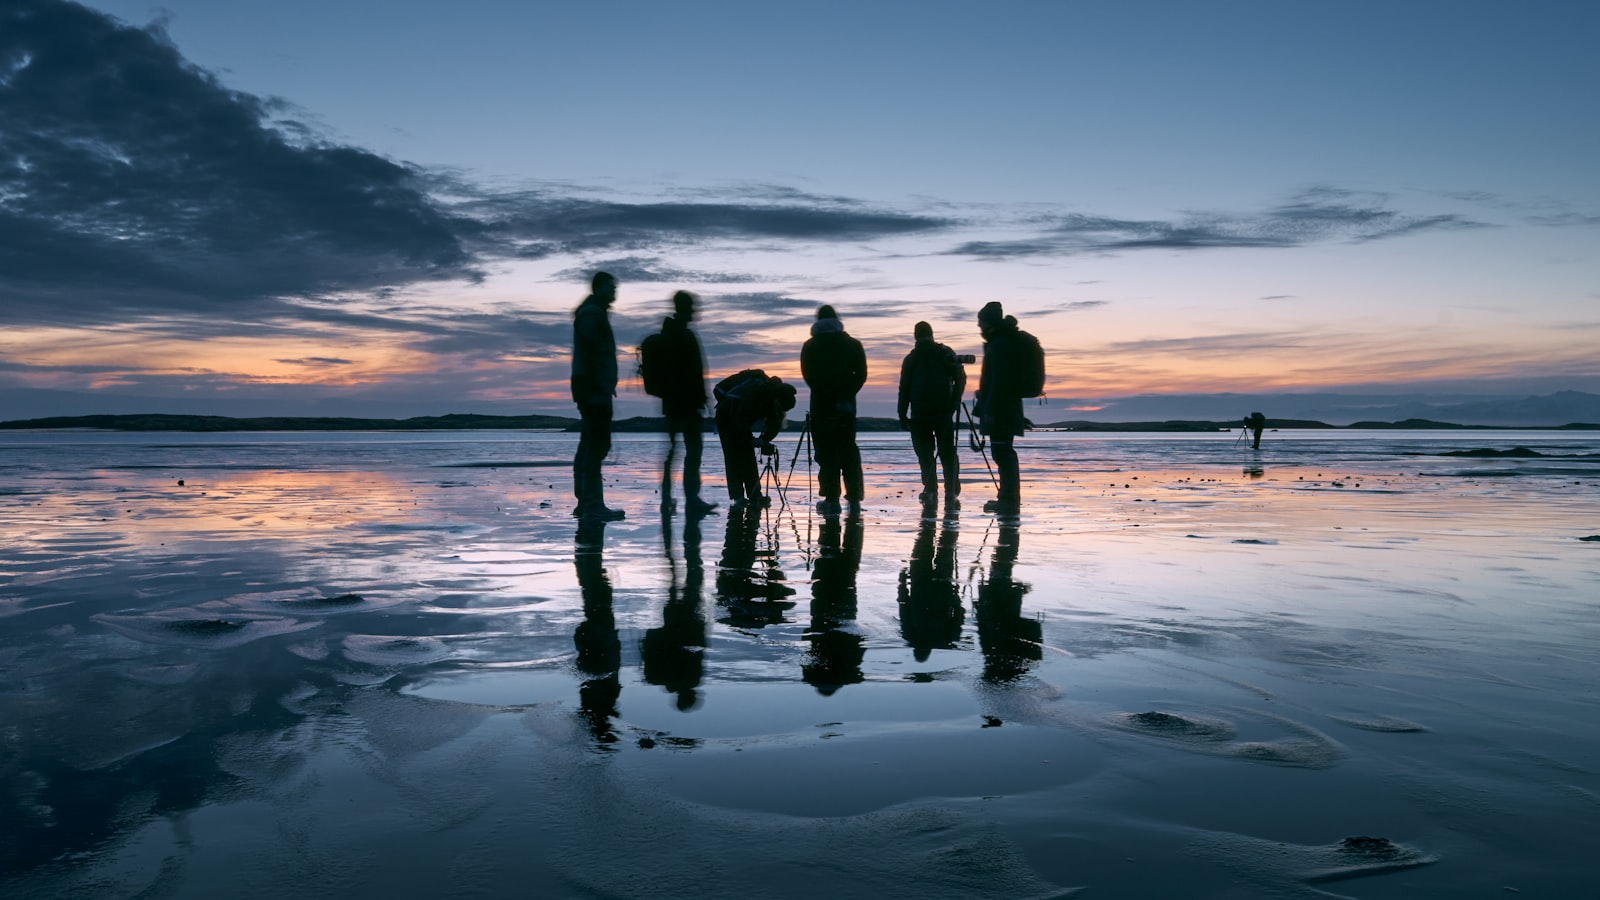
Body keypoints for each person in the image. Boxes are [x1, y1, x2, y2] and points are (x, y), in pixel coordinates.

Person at [648, 291, 718, 517]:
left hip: (670, 403)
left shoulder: (666, 333)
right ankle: (692, 499)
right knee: (693, 451)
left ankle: (667, 499)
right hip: (687, 403)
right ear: (686, 309)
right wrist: (704, 399)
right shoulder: (685, 335)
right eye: (693, 307)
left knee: (672, 452)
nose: (696, 311)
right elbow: (695, 373)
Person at [800, 305, 867, 517]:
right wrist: (846, 395)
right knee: (848, 451)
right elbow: (861, 374)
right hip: (847, 408)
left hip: (821, 407)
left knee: (826, 453)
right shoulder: (853, 344)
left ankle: (831, 500)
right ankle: (854, 499)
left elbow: (809, 376)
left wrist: (826, 395)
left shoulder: (810, 346)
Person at [570, 271, 624, 521]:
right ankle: (591, 505)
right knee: (596, 446)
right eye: (611, 286)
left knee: (590, 444)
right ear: (600, 287)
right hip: (593, 390)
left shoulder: (593, 312)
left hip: (592, 388)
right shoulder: (592, 314)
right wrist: (601, 384)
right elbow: (593, 351)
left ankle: (585, 502)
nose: (615, 290)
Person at [897, 320, 966, 511]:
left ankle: (931, 490)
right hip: (942, 412)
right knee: (947, 452)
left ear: (915, 336)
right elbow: (960, 376)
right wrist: (955, 399)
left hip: (920, 414)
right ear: (931, 334)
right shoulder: (944, 353)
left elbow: (904, 389)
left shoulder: (911, 359)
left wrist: (902, 414)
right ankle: (950, 490)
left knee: (925, 454)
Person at [973, 301, 1034, 515]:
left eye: (981, 323)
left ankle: (1008, 501)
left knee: (1003, 453)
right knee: (1004, 452)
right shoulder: (1003, 341)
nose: (979, 328)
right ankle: (1006, 499)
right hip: (1007, 406)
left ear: (989, 323)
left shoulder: (999, 344)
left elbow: (998, 381)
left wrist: (989, 411)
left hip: (1001, 408)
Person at [712, 368, 797, 508]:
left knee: (749, 457)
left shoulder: (776, 399)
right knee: (734, 457)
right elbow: (741, 419)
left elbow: (775, 423)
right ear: (777, 399)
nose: (780, 411)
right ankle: (738, 497)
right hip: (726, 416)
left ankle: (754, 495)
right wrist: (750, 439)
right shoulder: (756, 392)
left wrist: (763, 439)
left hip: (741, 419)